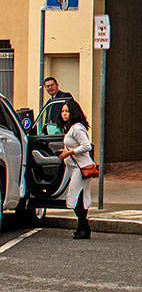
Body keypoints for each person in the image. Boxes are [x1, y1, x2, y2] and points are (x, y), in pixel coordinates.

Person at [56, 99, 94, 239]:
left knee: (75, 197)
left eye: (67, 111)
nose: (64, 114)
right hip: (75, 168)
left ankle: (84, 226)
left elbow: (87, 146)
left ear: (73, 112)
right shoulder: (71, 128)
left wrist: (69, 152)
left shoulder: (77, 128)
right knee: (80, 198)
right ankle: (82, 227)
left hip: (81, 168)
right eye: (63, 111)